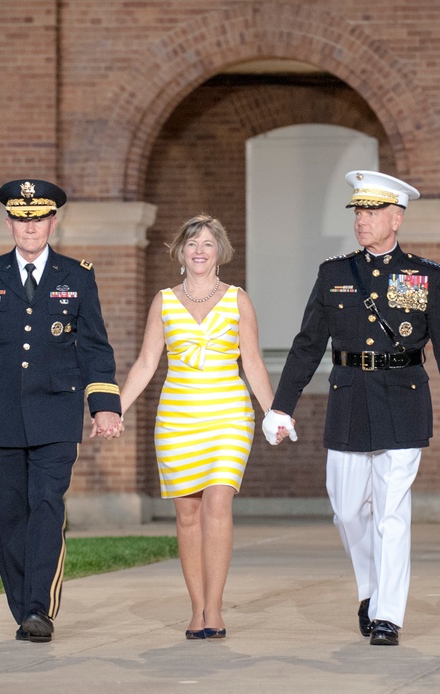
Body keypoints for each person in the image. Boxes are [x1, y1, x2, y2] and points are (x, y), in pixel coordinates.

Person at [263, 171, 440, 646]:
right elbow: (306, 345)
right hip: (349, 399)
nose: (362, 220)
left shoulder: (421, 275)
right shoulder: (335, 273)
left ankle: (387, 615)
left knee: (391, 515)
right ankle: (371, 588)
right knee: (345, 510)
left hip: (403, 399)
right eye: (358, 211)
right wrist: (281, 407)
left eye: (372, 211)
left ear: (396, 217)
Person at [0, 179, 123, 643]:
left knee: (44, 505)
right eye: (21, 219)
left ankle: (39, 607)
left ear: (52, 222)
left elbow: (96, 347)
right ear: (9, 223)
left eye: (38, 218)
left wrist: (103, 406)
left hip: (57, 412)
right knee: (6, 515)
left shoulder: (77, 275)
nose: (29, 227)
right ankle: (24, 608)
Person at [119, 214, 277, 641]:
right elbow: (147, 363)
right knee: (187, 513)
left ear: (219, 251)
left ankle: (217, 608)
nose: (200, 250)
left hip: (228, 414)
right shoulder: (164, 301)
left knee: (218, 502)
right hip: (177, 417)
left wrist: (272, 413)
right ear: (181, 253)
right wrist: (114, 408)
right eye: (192, 244)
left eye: (208, 243)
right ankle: (197, 609)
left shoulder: (238, 300)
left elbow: (254, 363)